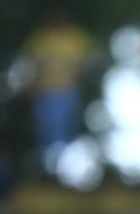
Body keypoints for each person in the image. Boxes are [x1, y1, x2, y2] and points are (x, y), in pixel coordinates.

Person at [20, 6, 95, 170]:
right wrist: (29, 85)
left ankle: (66, 170)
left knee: (66, 131)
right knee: (46, 132)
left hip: (68, 91)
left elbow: (91, 59)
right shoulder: (40, 39)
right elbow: (28, 65)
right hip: (44, 93)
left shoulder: (75, 37)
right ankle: (49, 170)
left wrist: (81, 73)